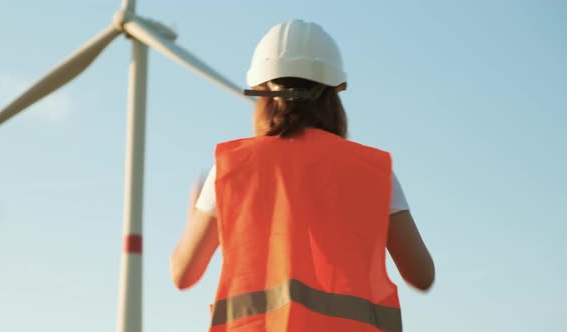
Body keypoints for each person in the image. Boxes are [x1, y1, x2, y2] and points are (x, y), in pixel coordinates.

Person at [170, 19, 434, 332]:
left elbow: (183, 274)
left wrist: (195, 216)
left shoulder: (230, 170)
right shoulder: (375, 171)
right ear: (334, 92)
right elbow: (421, 274)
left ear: (263, 92)